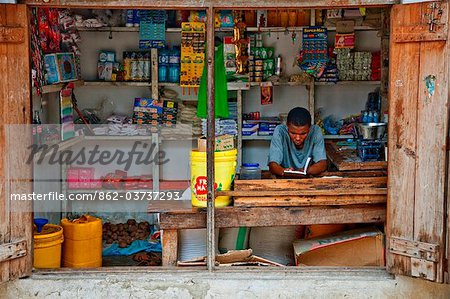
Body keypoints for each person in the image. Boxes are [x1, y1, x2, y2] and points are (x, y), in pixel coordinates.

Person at [268, 107, 327, 176]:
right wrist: (284, 171)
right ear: (287, 126)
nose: (298, 138)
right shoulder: (280, 131)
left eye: (303, 134)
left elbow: (322, 164)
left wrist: (305, 171)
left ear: (309, 128)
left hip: (308, 177)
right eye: (293, 133)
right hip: (283, 178)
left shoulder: (316, 131)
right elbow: (272, 165)